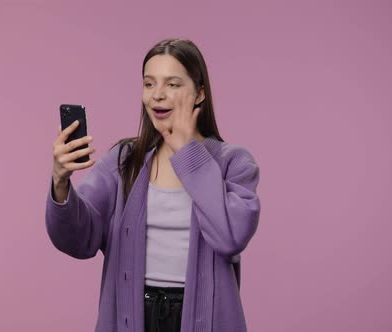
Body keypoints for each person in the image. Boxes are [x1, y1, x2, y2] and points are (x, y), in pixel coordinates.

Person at [46, 38, 261, 332]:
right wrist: (60, 181)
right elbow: (77, 240)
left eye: (172, 84)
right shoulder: (124, 161)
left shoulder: (233, 163)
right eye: (149, 84)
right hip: (133, 316)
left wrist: (188, 153)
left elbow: (230, 238)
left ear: (199, 94)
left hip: (203, 318)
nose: (157, 95)